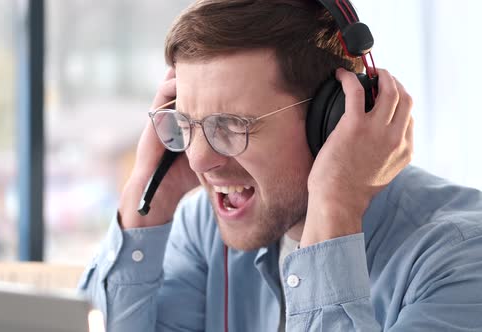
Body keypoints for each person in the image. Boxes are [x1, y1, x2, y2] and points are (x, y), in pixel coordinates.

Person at [80, 0, 482, 331]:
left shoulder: (459, 260)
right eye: (186, 124)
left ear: (332, 121)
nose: (198, 158)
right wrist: (146, 199)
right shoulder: (205, 229)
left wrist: (335, 208)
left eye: (233, 125)